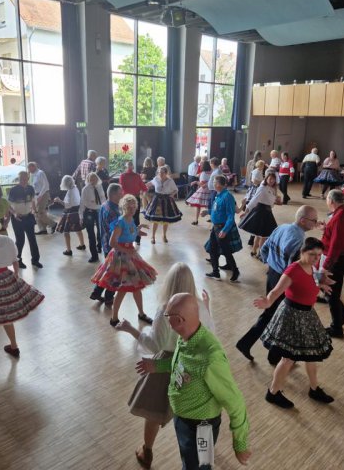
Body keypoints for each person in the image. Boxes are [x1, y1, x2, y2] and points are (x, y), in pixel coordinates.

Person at [115, 263, 215, 469]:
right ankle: (205, 455)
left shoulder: (164, 310)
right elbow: (210, 334)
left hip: (164, 366)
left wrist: (132, 329)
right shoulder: (198, 306)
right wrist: (207, 307)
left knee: (154, 412)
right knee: (198, 414)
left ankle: (147, 451)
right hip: (195, 368)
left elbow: (155, 345)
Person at [135, 293, 251, 470]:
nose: (166, 319)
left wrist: (240, 444)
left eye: (167, 316)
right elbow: (183, 364)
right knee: (189, 461)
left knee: (199, 466)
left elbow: (235, 402)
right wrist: (158, 366)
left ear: (179, 320)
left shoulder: (211, 358)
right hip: (183, 418)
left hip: (201, 426)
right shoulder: (186, 337)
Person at [256, 237, 334, 409]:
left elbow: (311, 278)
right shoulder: (293, 270)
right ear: (302, 252)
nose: (316, 258)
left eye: (319, 255)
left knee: (310, 354)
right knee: (288, 359)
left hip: (307, 315)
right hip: (292, 316)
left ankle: (314, 389)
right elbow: (276, 291)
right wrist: (267, 302)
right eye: (312, 254)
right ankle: (273, 393)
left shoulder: (311, 266)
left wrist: (321, 283)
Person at [236, 205, 319, 364]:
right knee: (282, 317)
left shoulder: (282, 227)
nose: (316, 223)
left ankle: (252, 346)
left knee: (272, 313)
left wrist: (271, 264)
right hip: (283, 279)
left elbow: (264, 248)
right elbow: (293, 268)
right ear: (303, 220)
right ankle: (270, 355)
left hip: (273, 274)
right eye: (314, 220)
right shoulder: (299, 240)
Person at [0, 212, 44, 358]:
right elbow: (15, 260)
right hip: (5, 277)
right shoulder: (6, 240)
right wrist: (15, 276)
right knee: (6, 315)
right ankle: (14, 346)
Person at [91, 194, 156, 326]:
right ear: (124, 207)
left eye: (134, 207)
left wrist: (137, 230)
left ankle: (141, 313)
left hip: (130, 254)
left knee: (136, 287)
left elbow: (129, 232)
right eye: (129, 207)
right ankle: (114, 318)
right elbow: (112, 242)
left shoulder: (130, 219)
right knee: (122, 290)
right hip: (120, 257)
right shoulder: (120, 221)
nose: (132, 210)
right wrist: (126, 250)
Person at [321, 190, 344, 338]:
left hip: (337, 260)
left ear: (331, 200)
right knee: (329, 290)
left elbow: (336, 245)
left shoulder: (339, 217)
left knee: (331, 294)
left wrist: (325, 267)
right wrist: (326, 229)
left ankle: (337, 328)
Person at [89, 183, 123, 306]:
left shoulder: (104, 205)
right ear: (113, 195)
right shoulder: (113, 211)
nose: (122, 194)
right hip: (114, 246)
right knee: (115, 274)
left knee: (108, 271)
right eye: (120, 193)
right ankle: (109, 297)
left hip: (105, 243)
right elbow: (117, 231)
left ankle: (96, 292)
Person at [205, 175, 241, 283]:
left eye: (215, 182)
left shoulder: (227, 196)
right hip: (215, 227)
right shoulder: (218, 195)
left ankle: (235, 270)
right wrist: (207, 212)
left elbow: (231, 216)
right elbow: (216, 210)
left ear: (221, 184)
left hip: (222, 228)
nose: (213, 184)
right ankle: (215, 272)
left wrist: (225, 230)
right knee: (212, 249)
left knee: (226, 250)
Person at [239, 171, 280, 257]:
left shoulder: (272, 189)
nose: (272, 180)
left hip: (268, 212)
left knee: (259, 235)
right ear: (266, 179)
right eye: (270, 179)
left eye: (273, 179)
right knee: (263, 236)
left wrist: (277, 200)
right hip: (261, 211)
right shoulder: (262, 188)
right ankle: (260, 253)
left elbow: (271, 203)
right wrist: (246, 212)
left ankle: (254, 250)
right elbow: (254, 200)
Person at [8, 171, 41, 269]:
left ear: (28, 178)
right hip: (17, 218)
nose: (24, 180)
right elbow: (8, 205)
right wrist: (14, 213)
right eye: (22, 179)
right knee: (20, 240)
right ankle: (18, 261)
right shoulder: (13, 190)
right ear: (19, 179)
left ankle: (35, 260)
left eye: (26, 178)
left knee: (32, 239)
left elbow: (33, 201)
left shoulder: (31, 188)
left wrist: (34, 211)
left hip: (29, 216)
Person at [144, 165, 182, 243]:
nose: (160, 174)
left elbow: (176, 190)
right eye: (159, 172)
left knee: (166, 219)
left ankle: (164, 235)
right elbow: (148, 184)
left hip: (166, 200)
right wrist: (144, 187)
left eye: (162, 173)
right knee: (155, 219)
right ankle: (153, 236)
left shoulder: (170, 181)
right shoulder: (156, 179)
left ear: (166, 173)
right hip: (157, 200)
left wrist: (172, 194)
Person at [54, 175, 86, 256]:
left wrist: (59, 200)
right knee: (78, 229)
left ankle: (68, 250)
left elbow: (67, 205)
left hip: (70, 213)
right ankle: (82, 244)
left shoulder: (70, 192)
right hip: (77, 212)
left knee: (66, 232)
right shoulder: (75, 188)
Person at [79, 172, 105, 262]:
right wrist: (81, 216)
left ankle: (99, 246)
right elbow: (82, 203)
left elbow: (103, 198)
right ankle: (94, 256)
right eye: (91, 179)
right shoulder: (85, 189)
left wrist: (105, 209)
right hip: (89, 212)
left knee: (100, 231)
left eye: (95, 179)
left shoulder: (100, 186)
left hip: (99, 210)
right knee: (91, 234)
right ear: (88, 180)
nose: (93, 181)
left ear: (97, 179)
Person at [119, 160, 146, 245]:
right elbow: (143, 187)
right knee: (136, 218)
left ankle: (126, 238)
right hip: (135, 199)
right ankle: (137, 239)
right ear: (133, 167)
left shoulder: (122, 176)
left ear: (126, 167)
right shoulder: (137, 176)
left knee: (126, 218)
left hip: (126, 200)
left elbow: (121, 188)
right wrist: (144, 190)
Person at [27, 161, 57, 235]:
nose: (28, 170)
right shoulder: (31, 174)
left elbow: (46, 185)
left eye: (29, 168)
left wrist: (40, 195)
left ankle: (53, 224)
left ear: (33, 166)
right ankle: (42, 229)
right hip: (35, 195)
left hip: (43, 194)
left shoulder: (40, 173)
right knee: (36, 213)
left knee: (40, 212)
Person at [185, 160, 212, 225]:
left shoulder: (203, 173)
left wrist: (196, 182)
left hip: (203, 191)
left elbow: (202, 185)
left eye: (201, 165)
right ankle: (212, 218)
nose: (200, 166)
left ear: (203, 166)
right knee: (209, 205)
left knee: (198, 206)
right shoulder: (211, 172)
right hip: (210, 190)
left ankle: (196, 220)